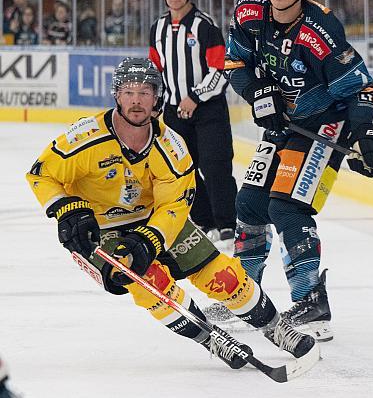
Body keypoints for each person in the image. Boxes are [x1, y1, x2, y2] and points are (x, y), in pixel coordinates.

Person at [26, 57, 317, 370]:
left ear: (157, 98)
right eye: (128, 91)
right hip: (102, 229)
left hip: (156, 220)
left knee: (222, 274)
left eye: (144, 91)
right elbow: (41, 174)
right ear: (117, 96)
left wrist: (150, 238)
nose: (136, 100)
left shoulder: (171, 147)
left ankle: (275, 328)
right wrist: (67, 209)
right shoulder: (84, 138)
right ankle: (209, 338)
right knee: (146, 279)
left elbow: (174, 206)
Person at [222, 0, 373, 342]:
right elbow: (234, 65)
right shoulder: (249, 14)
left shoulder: (320, 30)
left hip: (323, 125)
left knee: (286, 207)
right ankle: (245, 297)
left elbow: (362, 87)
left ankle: (312, 302)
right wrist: (260, 92)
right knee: (250, 204)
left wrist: (364, 133)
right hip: (283, 126)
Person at [149, 0, 238, 249]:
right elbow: (156, 71)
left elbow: (221, 68)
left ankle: (228, 225)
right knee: (182, 170)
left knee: (215, 167)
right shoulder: (158, 29)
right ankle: (206, 220)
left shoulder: (204, 25)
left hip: (208, 111)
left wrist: (196, 97)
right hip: (175, 113)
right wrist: (156, 105)